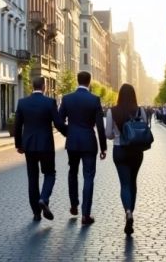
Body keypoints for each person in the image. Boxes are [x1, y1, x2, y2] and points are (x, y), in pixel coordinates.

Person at [15, 76, 68, 222]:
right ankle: (44, 199)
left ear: (33, 86)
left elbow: (17, 126)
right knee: (49, 174)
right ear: (44, 87)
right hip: (46, 146)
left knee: (32, 178)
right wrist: (70, 133)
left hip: (29, 146)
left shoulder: (22, 103)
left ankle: (36, 213)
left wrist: (18, 145)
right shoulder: (49, 102)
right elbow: (58, 123)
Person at [59, 70, 107, 225]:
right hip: (89, 142)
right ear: (89, 82)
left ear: (77, 81)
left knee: (72, 172)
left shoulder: (67, 99)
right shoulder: (94, 100)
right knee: (88, 177)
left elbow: (58, 122)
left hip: (72, 142)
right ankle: (86, 215)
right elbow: (100, 126)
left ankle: (74, 205)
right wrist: (103, 147)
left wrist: (69, 132)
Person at [104, 83, 150, 236]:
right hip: (137, 151)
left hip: (119, 150)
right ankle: (131, 212)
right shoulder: (140, 110)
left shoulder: (112, 111)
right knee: (133, 182)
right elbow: (145, 127)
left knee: (124, 184)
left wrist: (116, 135)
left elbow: (108, 133)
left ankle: (128, 211)